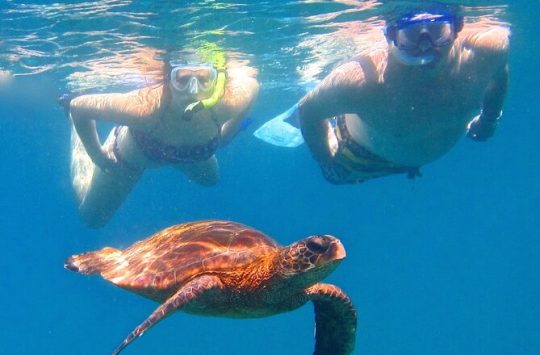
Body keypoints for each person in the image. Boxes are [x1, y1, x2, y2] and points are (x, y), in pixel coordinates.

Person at [257, 6, 509, 184]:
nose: (425, 47)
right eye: (411, 35)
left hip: (412, 147)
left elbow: (498, 71)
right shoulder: (362, 82)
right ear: (390, 36)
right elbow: (310, 110)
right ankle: (313, 83)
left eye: (436, 31)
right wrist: (326, 155)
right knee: (333, 177)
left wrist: (490, 118)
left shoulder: (488, 50)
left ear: (458, 27)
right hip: (362, 155)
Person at [64, 46, 259, 227]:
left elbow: (253, 85)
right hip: (130, 159)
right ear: (168, 80)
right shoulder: (145, 108)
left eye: (203, 79)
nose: (194, 90)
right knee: (92, 219)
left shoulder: (228, 103)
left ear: (216, 81)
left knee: (210, 180)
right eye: (182, 79)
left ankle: (179, 160)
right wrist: (97, 156)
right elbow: (78, 107)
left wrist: (227, 134)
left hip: (193, 156)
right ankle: (73, 128)